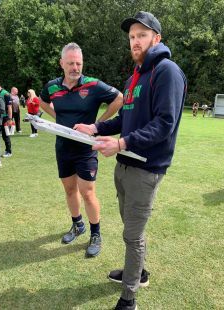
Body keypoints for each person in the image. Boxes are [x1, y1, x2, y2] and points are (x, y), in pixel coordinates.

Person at [74, 11, 187, 309]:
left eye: (141, 35)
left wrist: (122, 142)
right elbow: (125, 117)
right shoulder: (134, 77)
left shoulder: (167, 71)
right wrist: (96, 127)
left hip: (146, 168)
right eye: (132, 37)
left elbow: (165, 123)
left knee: (132, 234)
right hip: (125, 164)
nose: (135, 42)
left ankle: (129, 298)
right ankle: (139, 272)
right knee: (130, 227)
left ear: (156, 38)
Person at [39, 42, 123, 258]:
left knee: (87, 192)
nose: (75, 67)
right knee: (69, 190)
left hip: (86, 149)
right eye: (70, 63)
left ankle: (95, 234)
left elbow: (119, 98)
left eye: (78, 63)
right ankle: (77, 225)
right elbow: (41, 102)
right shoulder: (52, 87)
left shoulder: (93, 85)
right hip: (63, 148)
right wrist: (58, 119)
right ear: (61, 64)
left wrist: (98, 124)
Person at [0, 76, 13, 158]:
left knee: (5, 135)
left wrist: (10, 119)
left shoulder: (6, 93)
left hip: (5, 118)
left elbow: (9, 107)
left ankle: (8, 151)